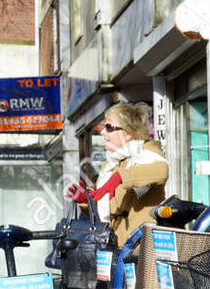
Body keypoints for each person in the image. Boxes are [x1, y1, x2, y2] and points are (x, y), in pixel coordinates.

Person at [66, 102, 169, 240]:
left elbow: (161, 171)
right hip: (112, 247)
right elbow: (106, 209)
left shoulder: (147, 152)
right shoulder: (109, 166)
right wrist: (88, 200)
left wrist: (121, 177)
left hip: (142, 248)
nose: (102, 132)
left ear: (128, 133)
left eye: (108, 127)